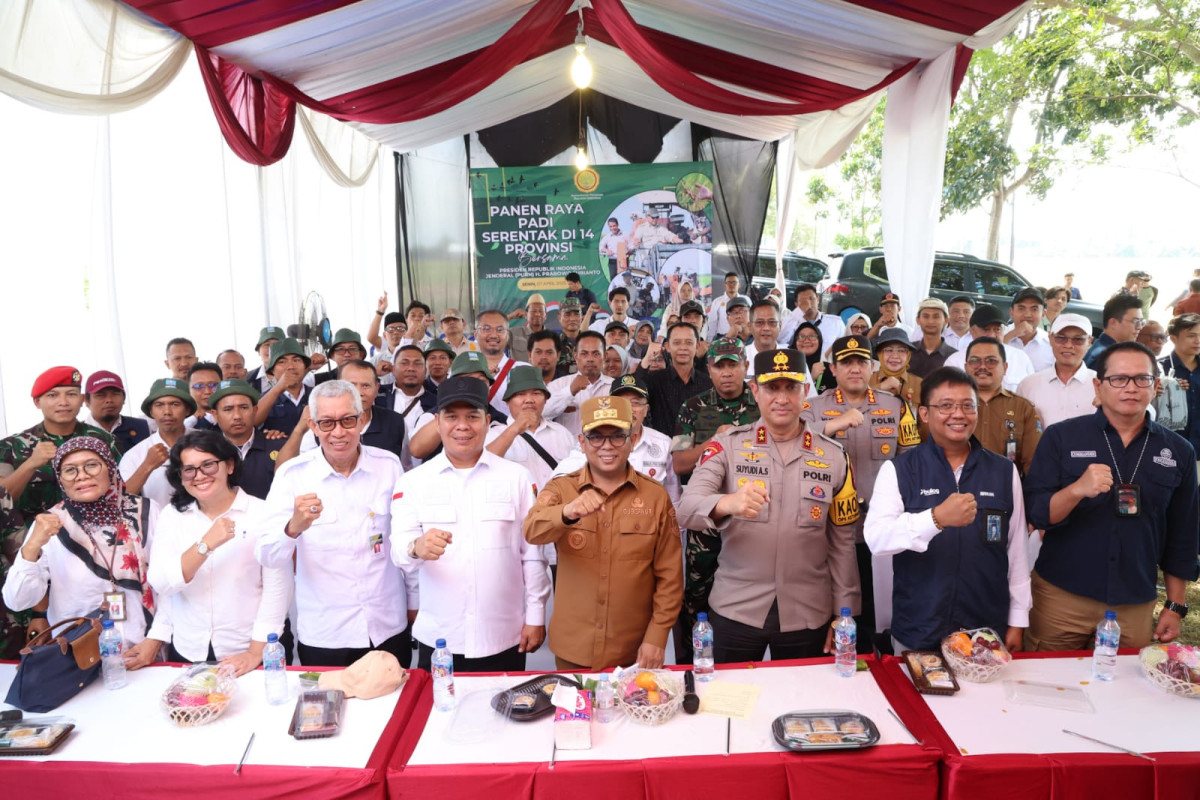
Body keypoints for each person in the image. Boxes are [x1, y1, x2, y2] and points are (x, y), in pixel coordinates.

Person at [677, 348, 860, 662]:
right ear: (755, 390)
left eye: (790, 387)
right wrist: (726, 503)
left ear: (805, 391)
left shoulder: (834, 455)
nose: (782, 398)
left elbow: (842, 542)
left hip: (809, 610)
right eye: (772, 387)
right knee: (730, 703)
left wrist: (843, 614)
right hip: (736, 607)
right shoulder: (728, 445)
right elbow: (686, 508)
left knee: (802, 702)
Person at [1024, 342, 1197, 650]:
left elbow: (1183, 535)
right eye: (1118, 379)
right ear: (1098, 385)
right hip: (1062, 597)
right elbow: (1038, 515)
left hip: (1134, 602)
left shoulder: (1178, 451)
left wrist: (1175, 605)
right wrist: (1077, 490)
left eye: (1141, 379)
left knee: (1123, 692)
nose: (1130, 388)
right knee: (1047, 689)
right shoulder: (1062, 437)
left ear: (1155, 386)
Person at [864, 367, 1031, 653]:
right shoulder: (900, 470)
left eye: (968, 406)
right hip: (919, 627)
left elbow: (1017, 552)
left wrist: (1017, 620)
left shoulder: (1003, 471)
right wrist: (935, 519)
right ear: (924, 413)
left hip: (985, 630)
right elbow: (877, 539)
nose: (958, 414)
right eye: (946, 406)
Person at [392, 376, 549, 672]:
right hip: (440, 639)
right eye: (451, 417)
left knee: (506, 715)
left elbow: (532, 554)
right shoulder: (412, 482)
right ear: (437, 422)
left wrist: (536, 616)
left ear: (488, 421)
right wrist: (417, 547)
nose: (462, 426)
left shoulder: (516, 477)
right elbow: (399, 551)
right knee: (439, 716)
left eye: (472, 417)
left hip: (504, 635)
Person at [255, 380, 415, 667]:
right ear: (313, 426)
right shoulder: (292, 475)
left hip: (386, 627)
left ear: (362, 420)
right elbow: (267, 554)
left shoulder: (388, 466)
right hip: (326, 635)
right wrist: (293, 527)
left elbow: (404, 536)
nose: (338, 432)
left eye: (347, 420)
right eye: (327, 423)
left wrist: (414, 602)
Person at [524, 396, 683, 670]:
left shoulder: (655, 497)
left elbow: (670, 576)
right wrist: (567, 511)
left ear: (632, 441)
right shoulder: (562, 489)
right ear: (581, 442)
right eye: (595, 436)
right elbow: (532, 530)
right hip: (574, 647)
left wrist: (657, 636)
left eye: (617, 436)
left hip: (633, 650)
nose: (606, 446)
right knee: (576, 713)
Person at [3, 437, 170, 669]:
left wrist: (155, 640)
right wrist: (31, 547)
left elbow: (170, 584)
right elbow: (18, 601)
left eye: (92, 465)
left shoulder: (147, 511)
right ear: (60, 479)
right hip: (76, 658)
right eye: (69, 470)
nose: (82, 475)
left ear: (110, 468)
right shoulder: (52, 523)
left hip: (142, 651)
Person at [802, 336, 920, 651]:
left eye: (861, 362)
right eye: (847, 362)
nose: (855, 369)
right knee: (823, 609)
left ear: (872, 366)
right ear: (833, 369)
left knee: (871, 611)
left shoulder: (897, 407)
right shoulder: (813, 408)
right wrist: (832, 426)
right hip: (825, 529)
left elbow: (915, 464)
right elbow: (788, 442)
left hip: (878, 531)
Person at [148, 431, 291, 672]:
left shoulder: (264, 514)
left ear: (230, 465)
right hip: (189, 647)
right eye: (189, 469)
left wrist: (255, 653)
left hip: (250, 647)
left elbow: (278, 588)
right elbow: (161, 583)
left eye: (209, 465)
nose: (200, 476)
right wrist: (205, 545)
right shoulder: (172, 516)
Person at [1, 368, 122, 645]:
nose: (63, 401)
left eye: (71, 394)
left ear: (83, 400)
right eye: (53, 395)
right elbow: (3, 499)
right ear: (37, 402)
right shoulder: (11, 447)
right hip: (34, 550)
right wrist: (31, 463)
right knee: (47, 640)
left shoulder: (105, 441)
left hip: (97, 550)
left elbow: (119, 491)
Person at [672, 339, 760, 481]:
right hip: (707, 491)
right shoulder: (693, 406)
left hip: (756, 488)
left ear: (746, 366)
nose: (726, 373)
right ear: (709, 370)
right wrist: (715, 442)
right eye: (718, 366)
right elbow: (679, 465)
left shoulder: (763, 403)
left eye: (733, 365)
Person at [963, 338, 1042, 477]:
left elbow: (1034, 464)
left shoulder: (1022, 407)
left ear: (1005, 367)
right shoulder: (950, 405)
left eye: (991, 360)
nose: (982, 366)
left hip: (1005, 490)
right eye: (975, 360)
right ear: (966, 367)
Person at [121, 379, 195, 509]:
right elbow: (122, 500)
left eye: (175, 404)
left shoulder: (207, 443)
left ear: (187, 409)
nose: (167, 411)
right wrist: (147, 466)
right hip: (156, 526)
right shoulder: (135, 454)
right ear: (151, 411)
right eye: (159, 405)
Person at [1016, 313, 1097, 429]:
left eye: (1078, 339)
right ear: (1050, 338)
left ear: (1089, 342)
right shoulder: (1028, 385)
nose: (1068, 345)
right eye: (1061, 338)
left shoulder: (1102, 385)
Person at [208, 380, 279, 500]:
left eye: (244, 407)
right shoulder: (206, 452)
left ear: (255, 410)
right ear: (215, 415)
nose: (237, 416)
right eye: (228, 409)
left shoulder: (279, 446)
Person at [639, 322, 713, 436]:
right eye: (677, 342)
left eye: (689, 343)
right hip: (661, 449)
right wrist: (646, 360)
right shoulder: (654, 380)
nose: (683, 347)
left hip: (697, 450)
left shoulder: (708, 383)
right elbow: (632, 392)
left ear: (697, 346)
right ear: (667, 347)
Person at [943, 304, 1035, 392]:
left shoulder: (1020, 357)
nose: (991, 335)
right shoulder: (955, 362)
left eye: (997, 329)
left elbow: (1030, 393)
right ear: (972, 332)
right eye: (986, 329)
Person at [545, 331, 613, 435]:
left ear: (605, 355)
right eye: (584, 353)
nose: (590, 359)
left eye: (596, 354)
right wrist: (569, 392)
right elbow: (542, 413)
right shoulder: (559, 385)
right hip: (568, 449)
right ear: (575, 355)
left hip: (605, 449)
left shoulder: (614, 387)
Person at [475, 308, 530, 417]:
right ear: (476, 334)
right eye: (487, 329)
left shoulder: (524, 370)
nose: (494, 335)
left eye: (500, 329)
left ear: (508, 335)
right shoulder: (461, 372)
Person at [254, 338, 313, 435]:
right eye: (282, 362)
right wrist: (278, 388)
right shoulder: (263, 399)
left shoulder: (318, 395)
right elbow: (251, 423)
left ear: (305, 366)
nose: (290, 366)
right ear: (272, 369)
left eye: (296, 360)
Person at [83, 370, 151, 454]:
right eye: (100, 395)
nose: (109, 400)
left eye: (115, 394)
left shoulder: (142, 427)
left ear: (124, 398)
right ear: (86, 400)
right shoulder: (77, 432)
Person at [1162, 313, 1200, 460]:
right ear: (1173, 338)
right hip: (1167, 450)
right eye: (1191, 336)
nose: (1198, 340)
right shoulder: (1159, 368)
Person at [1084, 294, 1144, 370]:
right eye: (1135, 321)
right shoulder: (1107, 357)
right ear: (1113, 322)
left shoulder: (1100, 348)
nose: (1140, 327)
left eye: (1141, 322)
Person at [780, 284, 844, 351]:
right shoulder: (791, 322)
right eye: (803, 301)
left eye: (811, 298)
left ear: (818, 299)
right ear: (796, 304)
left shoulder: (836, 322)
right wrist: (799, 311)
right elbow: (781, 341)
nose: (808, 303)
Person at [1003, 288, 1054, 372]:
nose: (1027, 314)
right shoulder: (998, 334)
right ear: (1011, 312)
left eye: (1034, 309)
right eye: (1021, 308)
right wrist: (1012, 334)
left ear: (1043, 314)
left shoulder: (1051, 343)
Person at [870, 328, 923, 408]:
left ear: (908, 355)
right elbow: (854, 406)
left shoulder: (919, 384)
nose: (895, 356)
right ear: (880, 354)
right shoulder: (867, 380)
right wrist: (879, 387)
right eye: (889, 350)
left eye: (901, 351)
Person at [908, 298, 958, 379]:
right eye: (926, 316)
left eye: (936, 316)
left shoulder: (953, 355)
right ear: (918, 320)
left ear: (946, 321)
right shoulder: (908, 351)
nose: (931, 321)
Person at [791, 322, 832, 393]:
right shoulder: (787, 368)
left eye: (812, 336)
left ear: (820, 341)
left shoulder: (830, 369)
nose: (806, 340)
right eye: (801, 337)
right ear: (795, 342)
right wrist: (811, 379)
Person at [708, 272, 751, 338]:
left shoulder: (746, 300)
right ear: (724, 285)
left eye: (734, 282)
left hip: (743, 337)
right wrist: (710, 340)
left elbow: (752, 318)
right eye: (729, 282)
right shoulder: (717, 302)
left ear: (739, 285)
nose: (731, 285)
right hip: (722, 337)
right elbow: (712, 323)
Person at [370, 311, 407, 387]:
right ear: (384, 335)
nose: (396, 332)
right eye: (391, 329)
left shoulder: (416, 357)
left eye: (400, 328)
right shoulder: (375, 361)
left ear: (406, 332)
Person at [508, 294, 548, 363]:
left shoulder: (551, 338)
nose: (537, 314)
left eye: (541, 311)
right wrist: (510, 316)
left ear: (545, 316)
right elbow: (493, 333)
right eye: (533, 311)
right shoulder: (513, 333)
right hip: (519, 373)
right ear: (526, 315)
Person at [246, 326, 286, 392]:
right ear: (258, 351)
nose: (271, 349)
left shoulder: (300, 376)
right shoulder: (248, 378)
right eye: (267, 344)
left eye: (277, 344)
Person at [186, 362, 222, 430]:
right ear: (188, 390)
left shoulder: (236, 417)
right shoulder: (182, 422)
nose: (207, 391)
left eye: (213, 385)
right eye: (199, 386)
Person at [555, 297, 583, 374]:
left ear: (582, 317)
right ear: (559, 318)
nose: (572, 319)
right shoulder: (553, 343)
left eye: (576, 314)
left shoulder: (589, 342)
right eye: (567, 315)